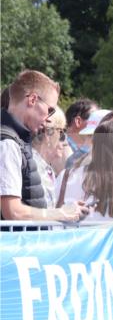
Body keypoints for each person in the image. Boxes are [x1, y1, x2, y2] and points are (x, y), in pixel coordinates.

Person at [1, 70, 86, 222]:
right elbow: (13, 212)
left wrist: (61, 212)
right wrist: (61, 214)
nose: (48, 119)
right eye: (50, 110)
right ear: (32, 100)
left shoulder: (15, 141)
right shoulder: (7, 143)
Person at [31, 106, 70, 207]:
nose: (64, 140)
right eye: (61, 132)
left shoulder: (47, 169)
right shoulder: (32, 166)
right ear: (48, 134)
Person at [63, 98, 99, 174]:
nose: (99, 125)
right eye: (94, 120)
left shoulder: (90, 151)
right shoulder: (59, 149)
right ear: (78, 121)